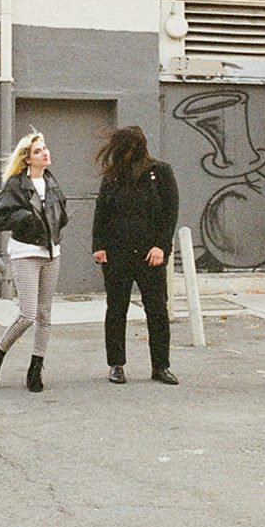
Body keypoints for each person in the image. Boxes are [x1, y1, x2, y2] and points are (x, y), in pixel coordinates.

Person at [92, 126, 180, 385]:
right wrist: (99, 245)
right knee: (116, 309)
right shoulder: (113, 176)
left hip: (149, 253)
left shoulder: (160, 172)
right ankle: (116, 364)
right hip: (116, 253)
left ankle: (161, 365)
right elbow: (101, 212)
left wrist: (161, 246)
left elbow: (170, 212)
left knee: (157, 309)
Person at [0, 131, 68, 392]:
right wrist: (25, 217)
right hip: (25, 253)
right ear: (28, 159)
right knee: (27, 315)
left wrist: (56, 227)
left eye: (45, 148)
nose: (45, 153)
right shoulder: (16, 184)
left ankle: (35, 368)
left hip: (51, 253)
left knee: (45, 314)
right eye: (37, 151)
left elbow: (61, 213)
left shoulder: (52, 182)